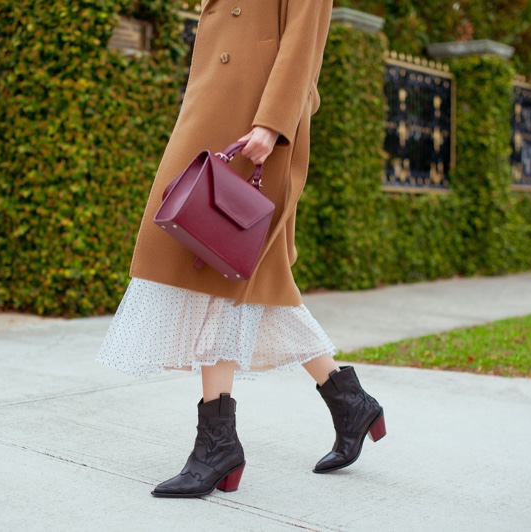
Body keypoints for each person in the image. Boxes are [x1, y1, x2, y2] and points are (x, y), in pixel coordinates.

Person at [97, 0, 385, 498]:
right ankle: (350, 402)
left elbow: (302, 40)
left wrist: (273, 123)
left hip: (258, 127)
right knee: (250, 274)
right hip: (215, 113)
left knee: (223, 273)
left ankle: (217, 445)